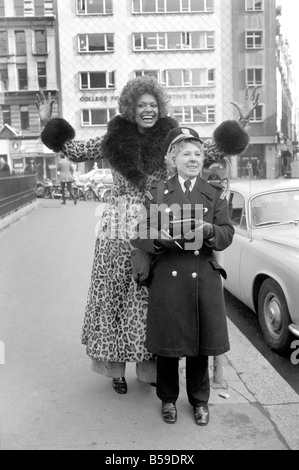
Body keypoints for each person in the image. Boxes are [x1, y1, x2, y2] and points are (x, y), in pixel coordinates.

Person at [36, 77, 258, 395]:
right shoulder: (111, 139)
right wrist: (48, 123)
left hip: (155, 229)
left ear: (160, 107)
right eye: (141, 105)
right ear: (130, 108)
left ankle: (149, 369)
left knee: (148, 302)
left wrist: (243, 121)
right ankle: (115, 370)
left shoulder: (171, 145)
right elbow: (73, 150)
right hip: (114, 230)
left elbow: (207, 150)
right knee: (111, 300)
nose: (148, 110)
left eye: (153, 104)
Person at [130, 127, 234, 426]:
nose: (193, 159)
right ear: (172, 160)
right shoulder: (158, 192)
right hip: (169, 275)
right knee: (169, 345)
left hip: (202, 275)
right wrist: (160, 239)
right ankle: (168, 400)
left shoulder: (214, 193)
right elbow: (140, 233)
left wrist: (211, 231)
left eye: (198, 154)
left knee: (201, 345)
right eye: (186, 153)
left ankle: (200, 401)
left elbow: (227, 233)